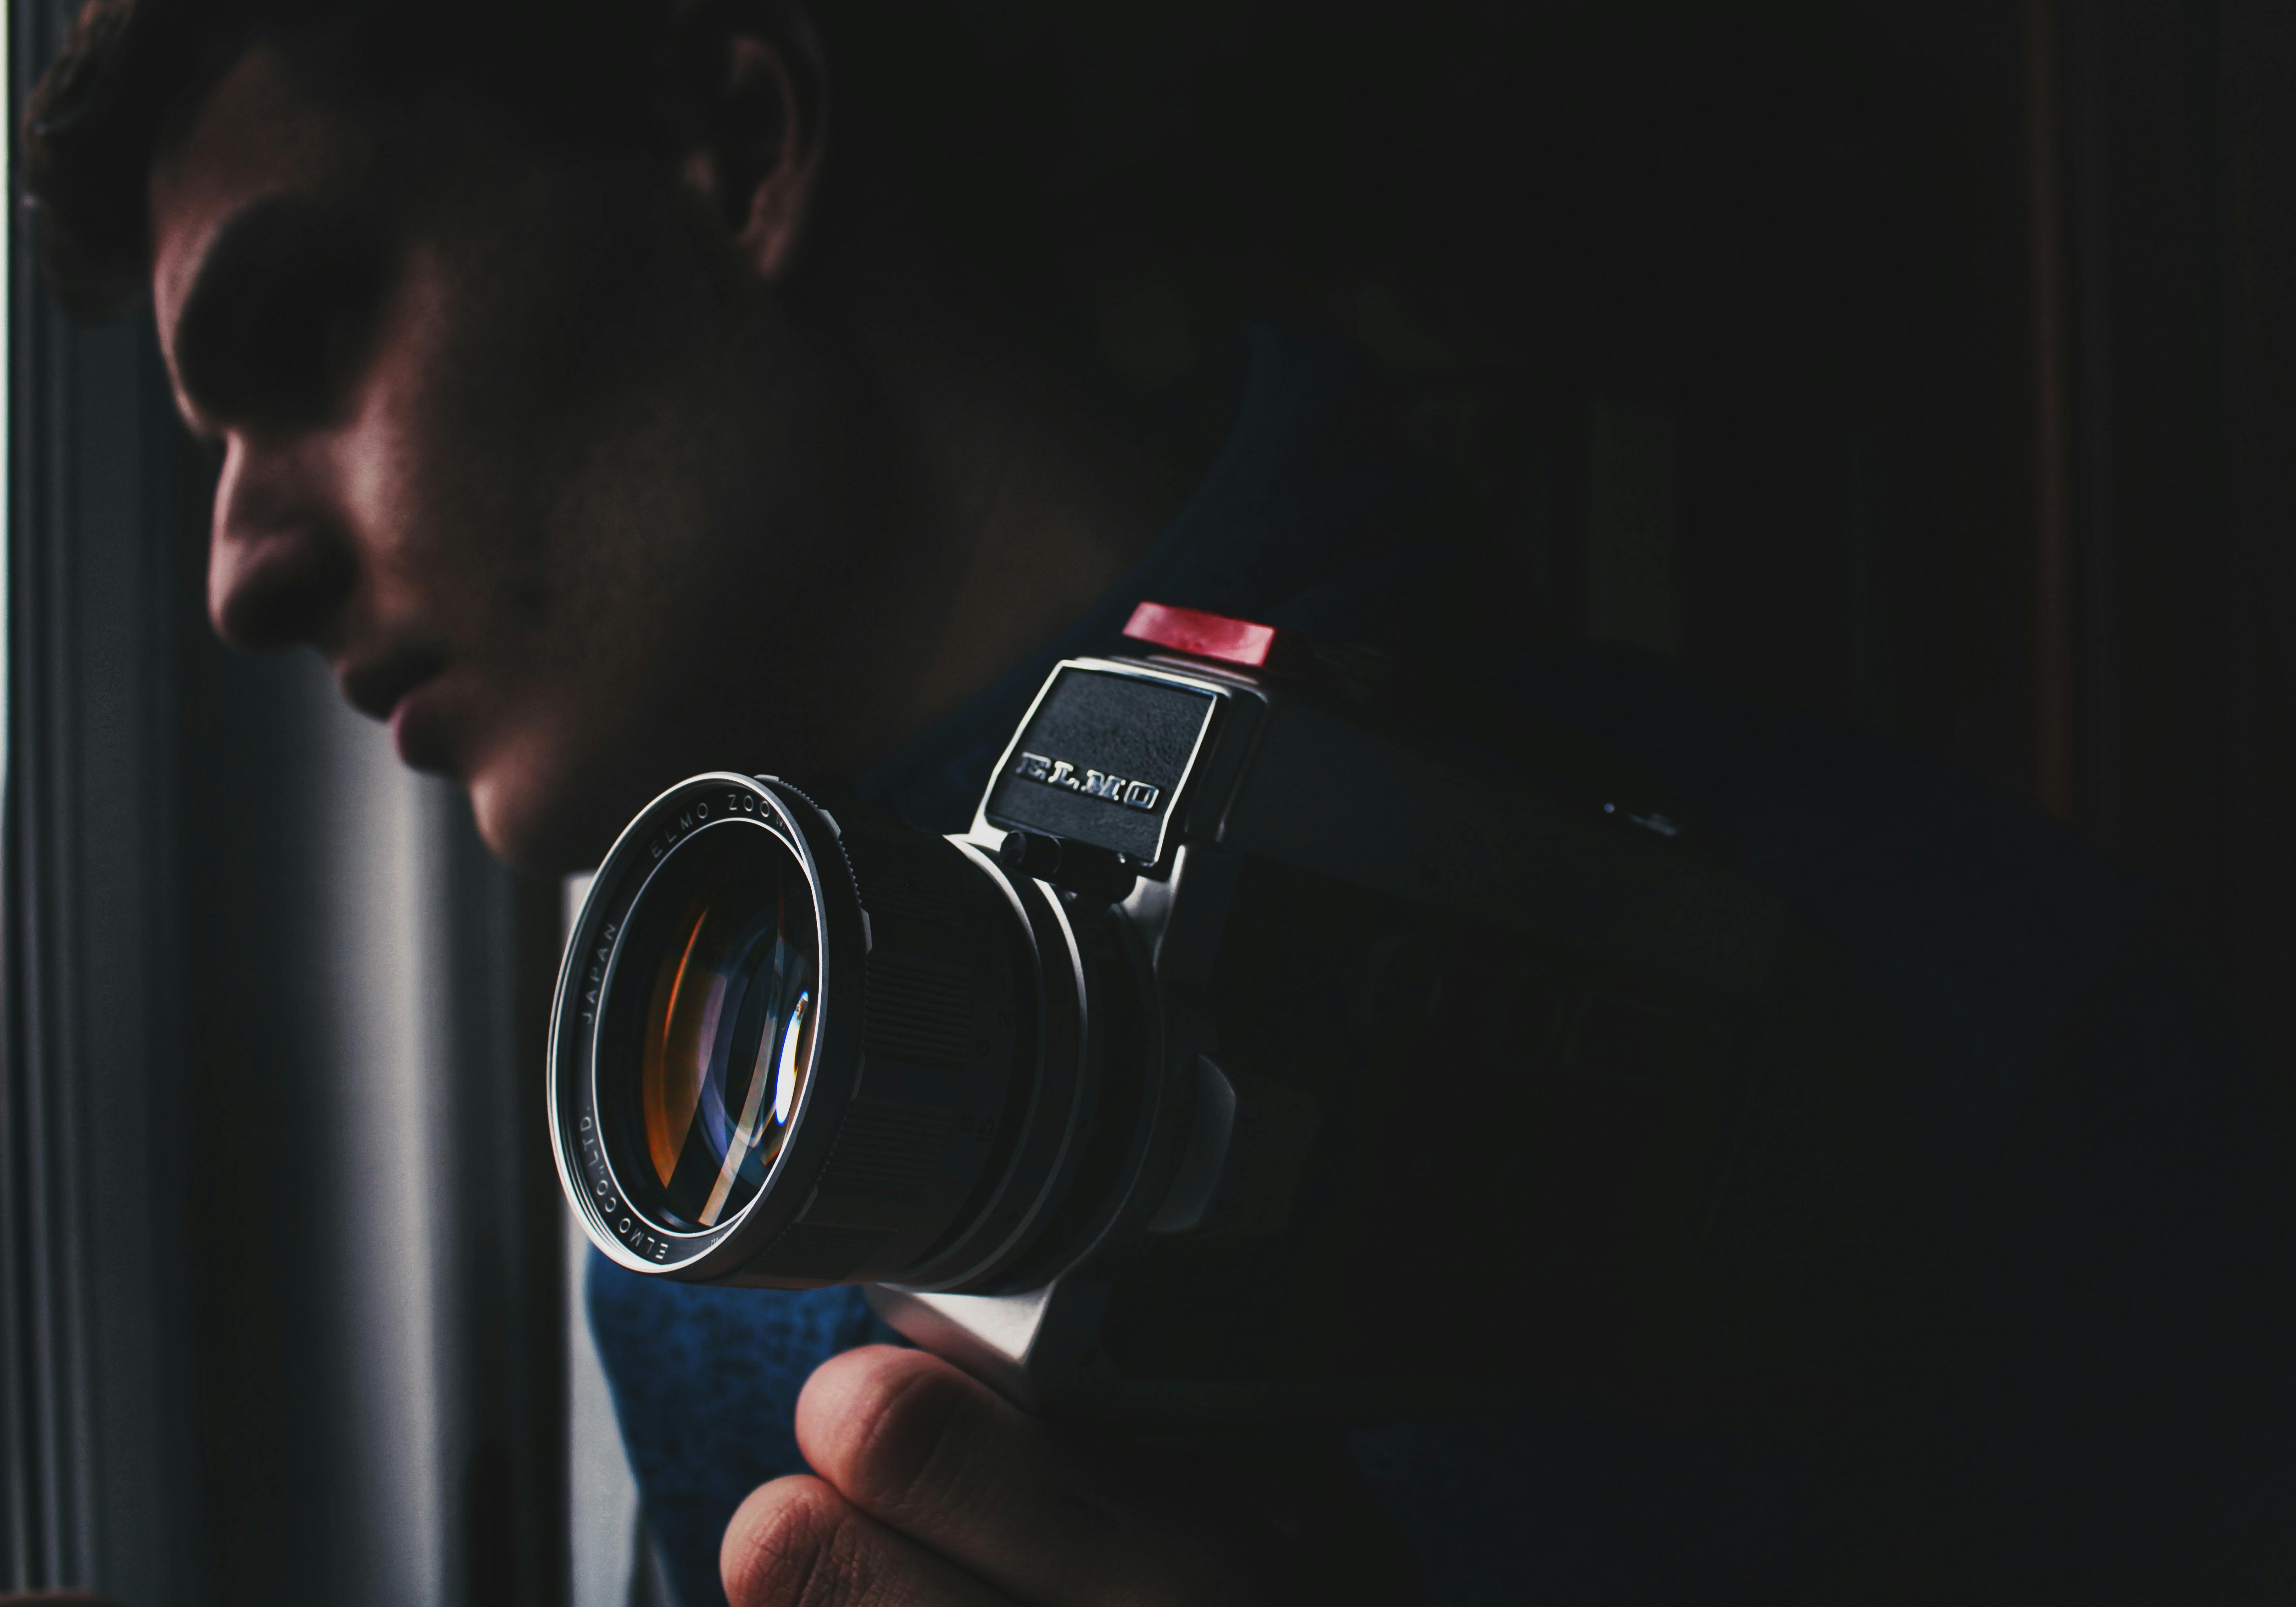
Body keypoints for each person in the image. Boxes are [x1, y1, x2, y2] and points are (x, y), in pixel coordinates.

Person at [21, 1, 2296, 1602]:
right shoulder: (715, 1105)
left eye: (303, 334)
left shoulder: (1963, 1021)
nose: (237, 572)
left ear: (734, 144)